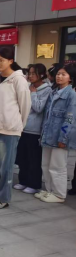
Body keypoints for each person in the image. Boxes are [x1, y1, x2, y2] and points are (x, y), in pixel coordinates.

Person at [0, 48, 31, 210]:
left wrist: (18, 125)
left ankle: (3, 198)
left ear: (10, 61)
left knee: (6, 166)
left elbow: (25, 106)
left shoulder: (18, 80)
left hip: (9, 130)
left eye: (1, 60)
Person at [36, 65, 76, 203]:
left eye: (63, 74)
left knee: (57, 166)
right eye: (58, 74)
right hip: (48, 135)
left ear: (70, 78)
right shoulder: (54, 92)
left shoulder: (71, 95)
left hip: (60, 137)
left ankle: (59, 194)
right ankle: (49, 190)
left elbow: (70, 118)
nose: (59, 76)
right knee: (46, 165)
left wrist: (63, 138)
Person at [14, 64, 51, 195]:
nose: (30, 76)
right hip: (23, 127)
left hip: (35, 130)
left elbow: (39, 108)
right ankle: (23, 180)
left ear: (42, 75)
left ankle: (34, 184)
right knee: (22, 157)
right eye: (29, 73)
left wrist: (33, 94)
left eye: (33, 73)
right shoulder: (28, 86)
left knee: (33, 159)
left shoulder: (47, 90)